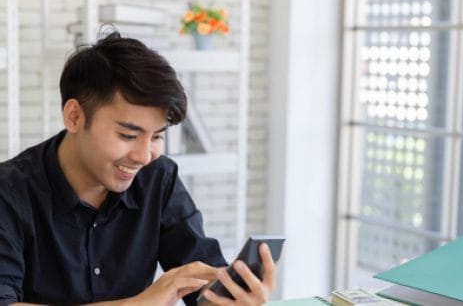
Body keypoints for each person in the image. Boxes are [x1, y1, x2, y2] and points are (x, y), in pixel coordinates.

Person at [0, 32, 276, 306]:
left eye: (156, 136)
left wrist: (234, 297)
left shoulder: (158, 177)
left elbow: (202, 277)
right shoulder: (9, 192)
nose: (144, 156)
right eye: (128, 136)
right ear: (74, 116)